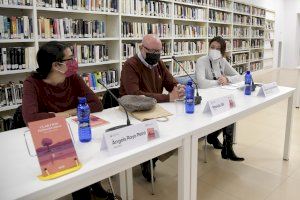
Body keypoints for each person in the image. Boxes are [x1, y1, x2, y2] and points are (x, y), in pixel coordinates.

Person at [22, 41, 116, 200]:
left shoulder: (73, 78)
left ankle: (93, 186)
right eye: (70, 59)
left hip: (76, 131)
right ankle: (87, 192)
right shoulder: (32, 83)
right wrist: (68, 114)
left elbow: (96, 104)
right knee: (76, 159)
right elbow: (30, 118)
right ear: (56, 65)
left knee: (90, 153)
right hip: (51, 137)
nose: (74, 62)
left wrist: (66, 113)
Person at [120, 34, 185, 181]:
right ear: (142, 48)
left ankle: (151, 159)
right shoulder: (130, 65)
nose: (156, 55)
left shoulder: (158, 63)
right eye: (152, 51)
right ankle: (147, 160)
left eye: (159, 52)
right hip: (133, 111)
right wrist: (168, 97)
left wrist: (178, 88)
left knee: (175, 132)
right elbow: (135, 95)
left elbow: (170, 83)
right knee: (158, 133)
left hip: (153, 107)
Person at [195, 36, 244, 161]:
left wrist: (227, 79)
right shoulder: (202, 61)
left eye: (218, 48)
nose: (214, 50)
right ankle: (220, 143)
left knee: (231, 108)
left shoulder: (222, 61)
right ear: (208, 47)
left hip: (218, 96)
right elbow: (201, 83)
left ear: (222, 51)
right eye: (212, 47)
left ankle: (226, 147)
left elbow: (239, 77)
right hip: (205, 99)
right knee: (228, 108)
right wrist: (219, 81)